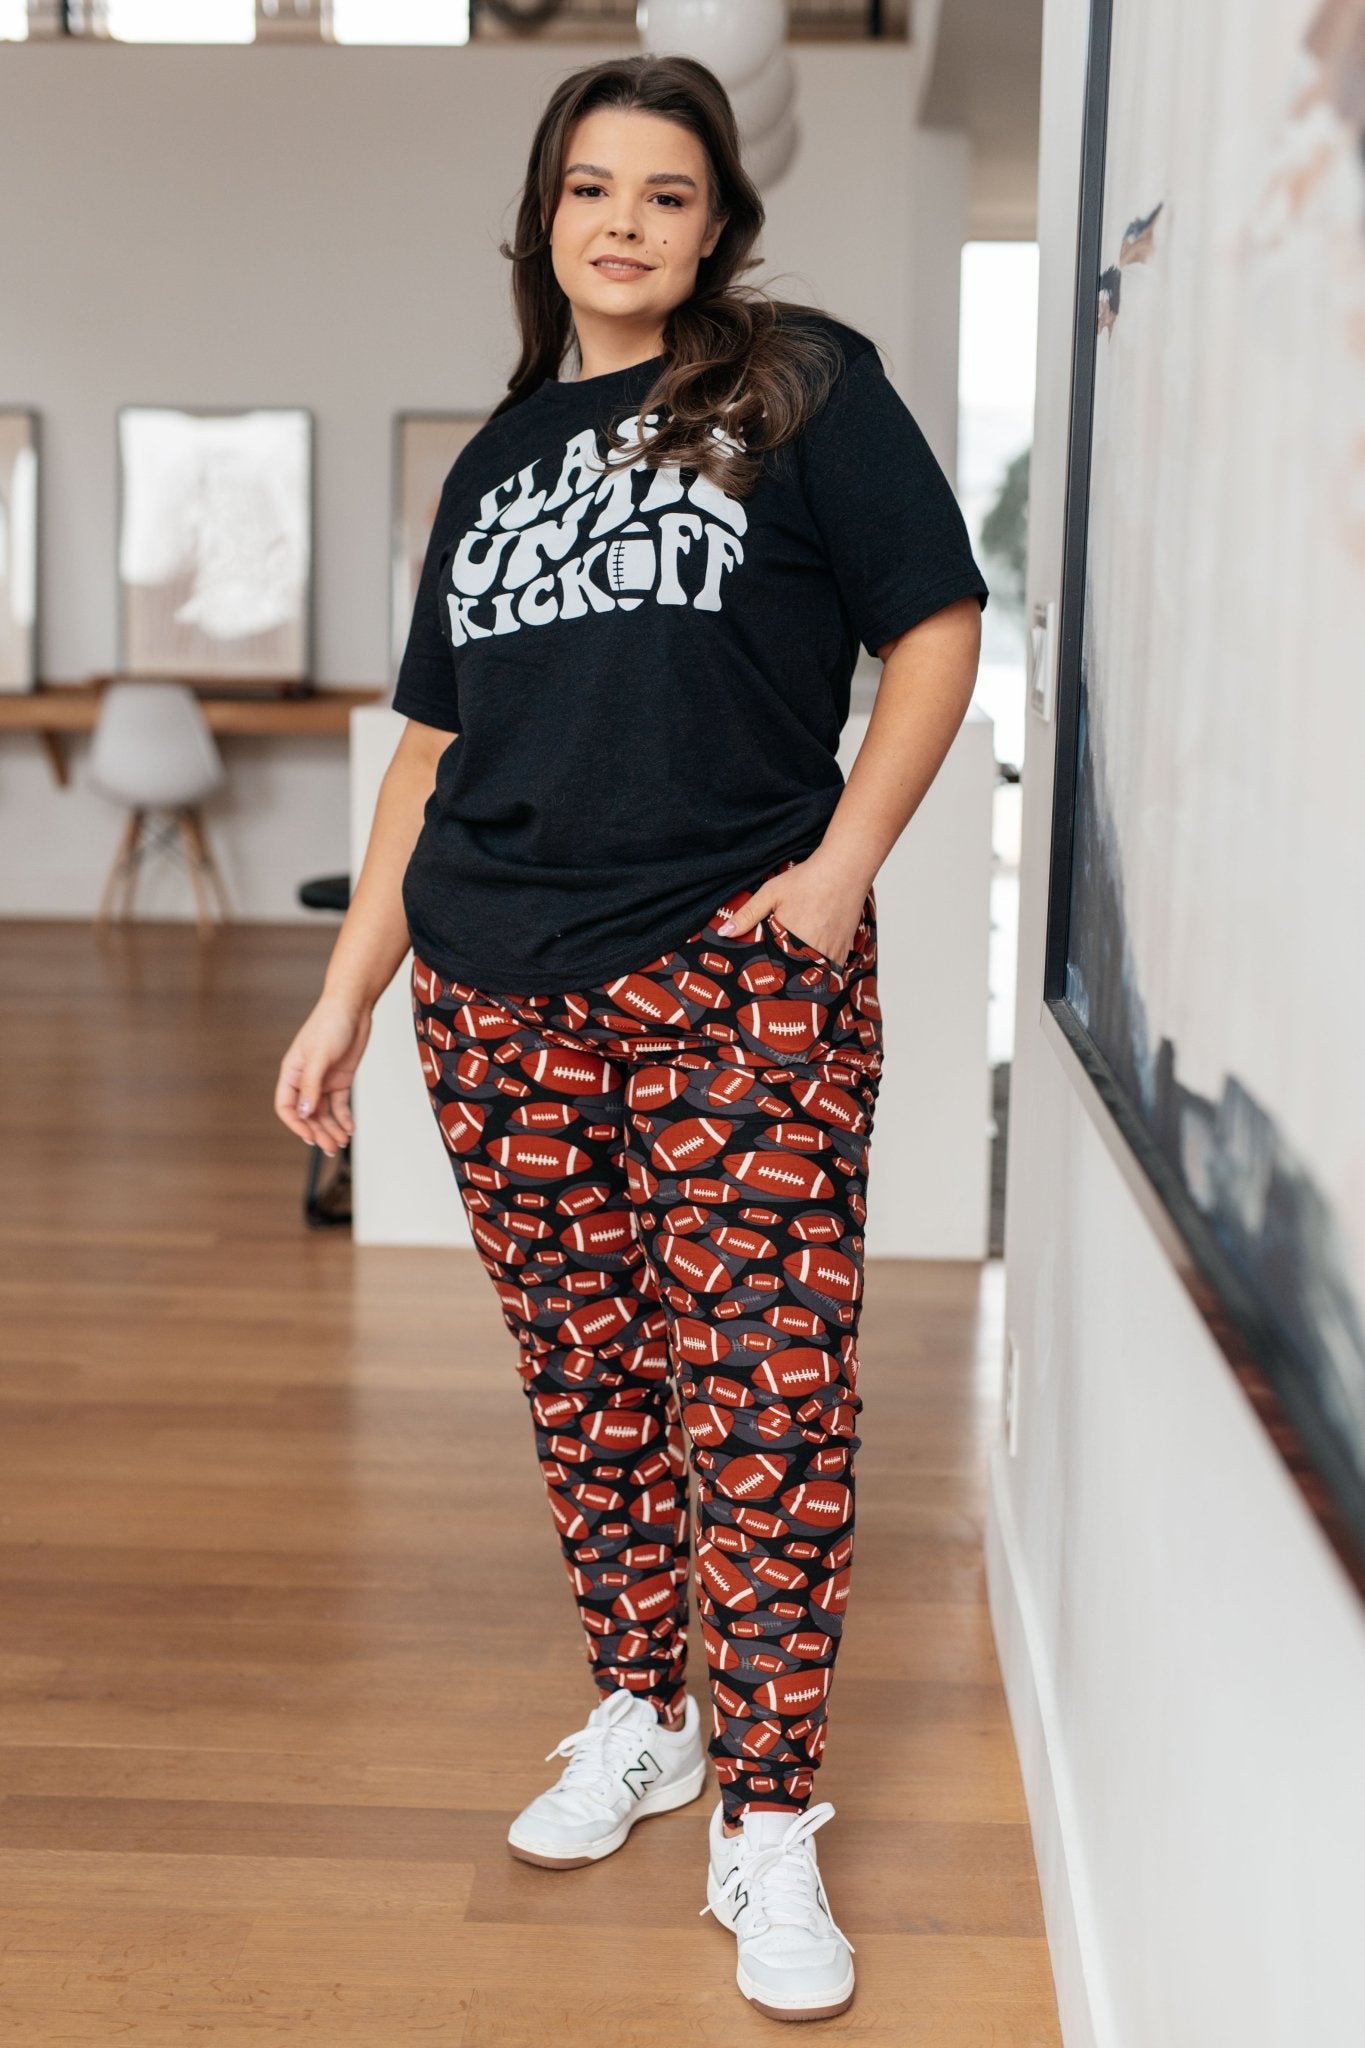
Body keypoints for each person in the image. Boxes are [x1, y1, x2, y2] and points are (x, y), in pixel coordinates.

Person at [274, 51, 987, 2026]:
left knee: (766, 1394)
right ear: (543, 216)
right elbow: (431, 748)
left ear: (715, 225)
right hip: (496, 989)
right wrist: (348, 990)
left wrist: (841, 868)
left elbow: (934, 625)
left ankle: (767, 1817)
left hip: (730, 972)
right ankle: (643, 1715)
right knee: (586, 1378)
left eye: (665, 193)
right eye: (589, 186)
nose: (621, 222)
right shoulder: (499, 459)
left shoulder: (798, 385)